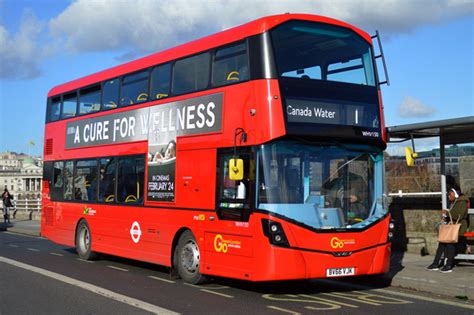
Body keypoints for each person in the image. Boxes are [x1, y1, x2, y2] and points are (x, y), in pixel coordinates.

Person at [426, 188, 469, 273]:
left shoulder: (462, 202)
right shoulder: (455, 202)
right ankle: (435, 263)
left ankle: (448, 265)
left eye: (450, 194)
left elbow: (459, 215)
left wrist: (447, 213)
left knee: (450, 244)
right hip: (452, 226)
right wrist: (446, 216)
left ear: (455, 194)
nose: (449, 196)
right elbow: (454, 214)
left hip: (459, 227)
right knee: (441, 244)